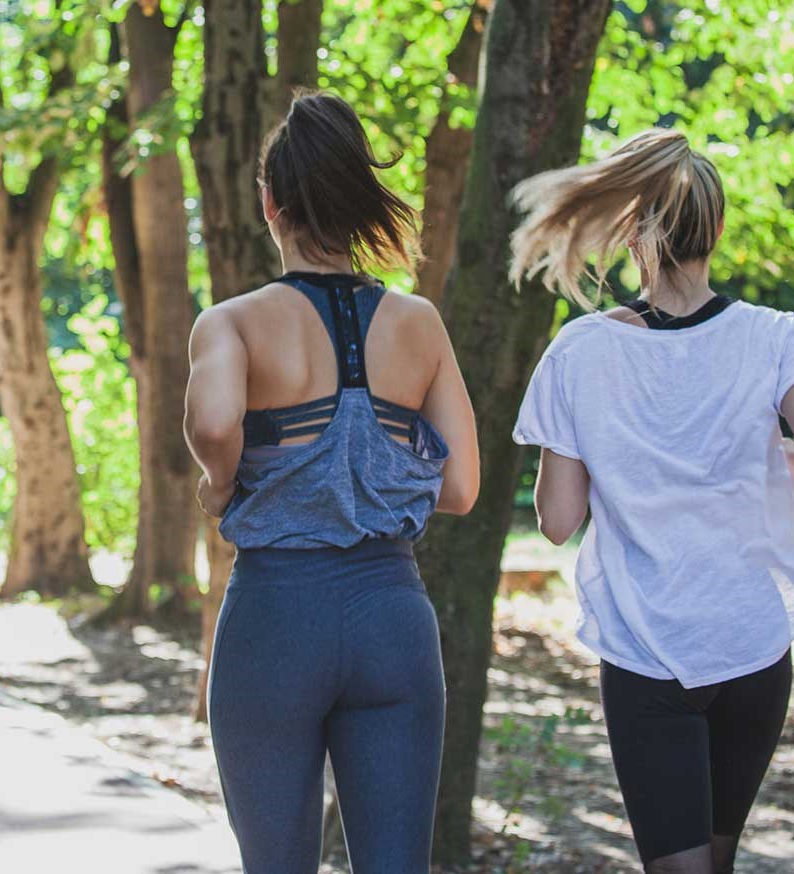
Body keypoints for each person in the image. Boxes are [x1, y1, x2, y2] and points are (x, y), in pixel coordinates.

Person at [507, 128, 794, 874]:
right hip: (752, 643)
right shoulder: (772, 337)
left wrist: (623, 463)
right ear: (718, 229)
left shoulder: (580, 351)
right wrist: (770, 466)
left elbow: (559, 521)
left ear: (631, 232)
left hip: (645, 653)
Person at [183, 91, 479, 874]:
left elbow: (214, 424)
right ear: (355, 202)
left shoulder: (234, 322)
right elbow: (462, 487)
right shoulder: (419, 324)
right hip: (392, 617)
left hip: (277, 616)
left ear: (270, 203)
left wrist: (220, 486)